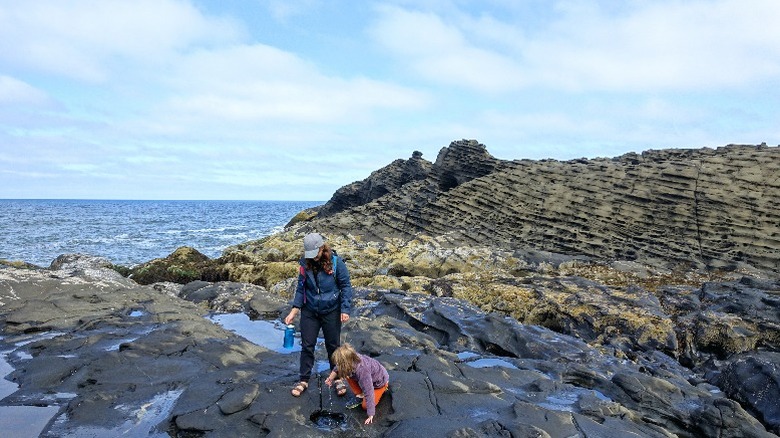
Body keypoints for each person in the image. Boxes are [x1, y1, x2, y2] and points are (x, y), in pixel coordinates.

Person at [284, 232, 353, 398]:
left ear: (322, 248)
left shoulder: (337, 263)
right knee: (307, 345)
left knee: (333, 346)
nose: (313, 258)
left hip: (331, 310)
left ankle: (337, 377)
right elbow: (301, 288)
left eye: (315, 254)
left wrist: (344, 309)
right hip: (310, 310)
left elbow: (346, 286)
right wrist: (295, 309)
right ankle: (304, 379)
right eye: (310, 255)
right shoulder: (305, 264)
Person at [325, 343, 390, 425]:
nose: (338, 365)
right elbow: (337, 368)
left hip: (379, 383)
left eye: (339, 363)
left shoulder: (363, 370)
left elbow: (369, 391)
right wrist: (330, 378)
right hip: (368, 378)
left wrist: (371, 414)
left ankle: (384, 388)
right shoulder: (351, 359)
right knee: (346, 374)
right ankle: (360, 394)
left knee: (365, 406)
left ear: (346, 363)